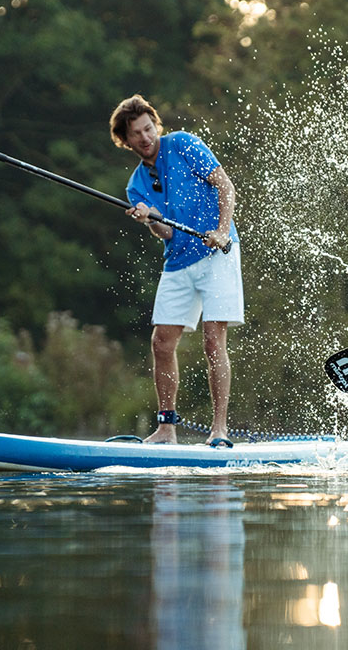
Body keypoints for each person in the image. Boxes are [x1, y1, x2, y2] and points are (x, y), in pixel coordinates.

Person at [110, 94, 243, 445]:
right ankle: (166, 429)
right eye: (136, 134)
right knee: (161, 343)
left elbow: (225, 185)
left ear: (156, 125)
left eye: (148, 128)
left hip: (217, 254)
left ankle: (219, 430)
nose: (145, 137)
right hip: (179, 260)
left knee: (213, 341)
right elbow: (166, 232)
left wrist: (221, 230)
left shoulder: (183, 144)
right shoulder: (136, 186)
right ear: (125, 140)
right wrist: (150, 219)